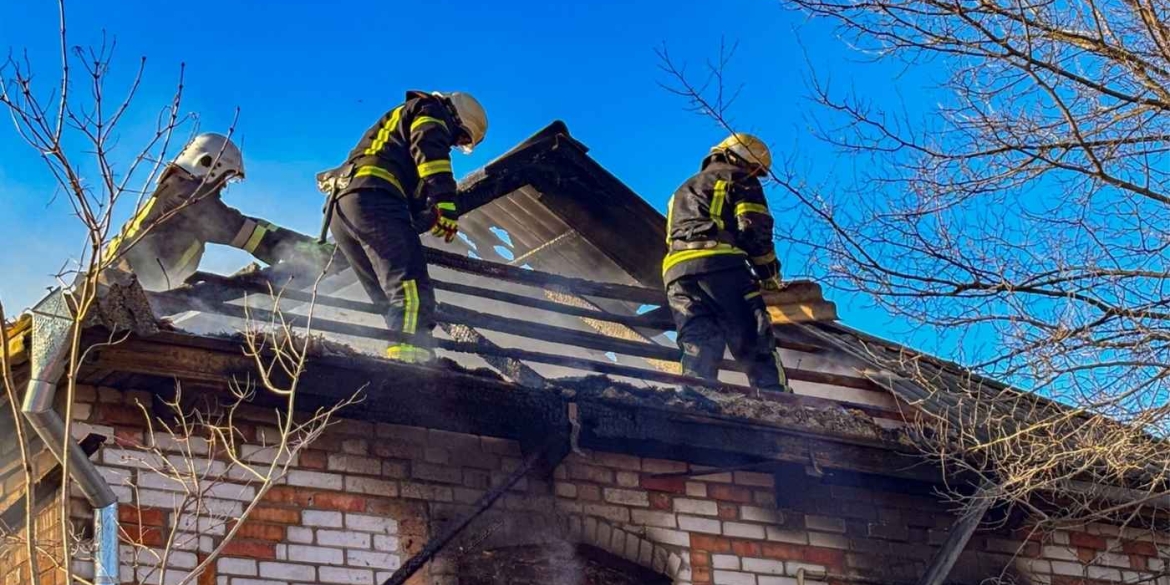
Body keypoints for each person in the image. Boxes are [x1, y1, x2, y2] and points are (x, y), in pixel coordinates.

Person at [327, 91, 488, 363]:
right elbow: (430, 149)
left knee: (388, 298)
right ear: (456, 119)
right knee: (410, 288)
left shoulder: (396, 141)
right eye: (460, 137)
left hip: (343, 209)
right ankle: (412, 361)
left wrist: (430, 215)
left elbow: (411, 211)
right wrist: (447, 202)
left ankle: (399, 351)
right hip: (374, 199)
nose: (454, 145)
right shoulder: (430, 110)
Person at [104, 133, 333, 292]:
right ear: (209, 165)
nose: (223, 186)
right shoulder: (188, 196)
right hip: (120, 290)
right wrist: (306, 251)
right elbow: (241, 230)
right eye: (225, 178)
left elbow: (245, 223)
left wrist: (305, 243)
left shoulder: (176, 191)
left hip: (120, 287)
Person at [661, 133, 790, 392]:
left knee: (698, 340)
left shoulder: (680, 191)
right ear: (740, 159)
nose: (754, 173)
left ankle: (696, 396)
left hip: (676, 272)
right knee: (753, 337)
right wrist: (769, 275)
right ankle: (777, 400)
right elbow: (755, 231)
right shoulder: (740, 178)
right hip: (720, 265)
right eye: (755, 168)